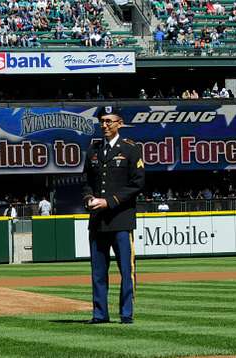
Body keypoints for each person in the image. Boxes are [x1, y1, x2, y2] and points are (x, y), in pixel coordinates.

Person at [81, 106, 145, 324]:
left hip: (121, 219)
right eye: (102, 121)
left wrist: (109, 201)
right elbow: (86, 182)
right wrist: (89, 198)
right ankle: (100, 314)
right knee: (98, 273)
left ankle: (126, 313)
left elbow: (137, 183)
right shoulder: (93, 150)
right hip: (97, 222)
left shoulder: (130, 149)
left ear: (120, 123)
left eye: (109, 121)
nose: (105, 125)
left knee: (126, 271)